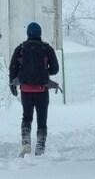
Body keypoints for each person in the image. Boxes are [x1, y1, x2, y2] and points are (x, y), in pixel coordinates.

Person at [9, 21, 60, 156]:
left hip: (26, 90)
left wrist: (12, 85)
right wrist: (44, 72)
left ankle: (26, 143)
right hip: (42, 90)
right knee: (42, 120)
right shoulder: (46, 48)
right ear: (40, 33)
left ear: (28, 34)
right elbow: (55, 69)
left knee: (26, 117)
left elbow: (13, 68)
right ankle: (40, 147)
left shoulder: (20, 48)